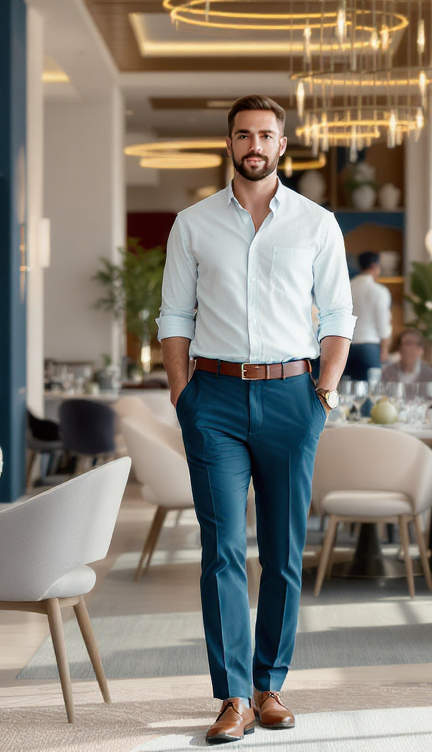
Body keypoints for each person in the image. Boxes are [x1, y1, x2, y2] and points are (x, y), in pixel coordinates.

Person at [158, 95, 354, 745]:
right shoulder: (192, 224)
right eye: (243, 134)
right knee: (222, 553)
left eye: (265, 134)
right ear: (230, 143)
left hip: (292, 397)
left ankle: (271, 685)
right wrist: (182, 394)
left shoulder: (317, 223)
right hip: (211, 399)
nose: (254, 144)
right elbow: (174, 318)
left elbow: (338, 320)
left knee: (282, 551)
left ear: (282, 144)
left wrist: (322, 394)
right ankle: (233, 696)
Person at [346, 251, 392, 380]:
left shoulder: (348, 287)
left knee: (348, 393)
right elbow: (384, 327)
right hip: (369, 348)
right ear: (374, 266)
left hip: (346, 347)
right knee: (370, 394)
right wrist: (385, 349)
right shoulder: (379, 291)